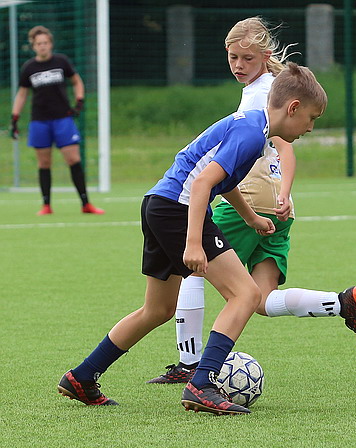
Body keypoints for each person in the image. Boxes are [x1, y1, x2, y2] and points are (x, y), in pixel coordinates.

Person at [57, 62, 328, 415]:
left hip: (158, 203)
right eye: (311, 118)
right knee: (246, 294)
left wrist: (251, 218)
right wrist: (193, 243)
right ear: (293, 108)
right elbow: (202, 184)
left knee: (158, 310)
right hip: (178, 208)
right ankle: (202, 384)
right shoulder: (251, 133)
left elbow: (222, 181)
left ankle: (81, 377)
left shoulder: (253, 129)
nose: (310, 127)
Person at [146, 17, 356, 385]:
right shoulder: (273, 86)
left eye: (246, 58)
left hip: (250, 198)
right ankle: (341, 302)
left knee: (194, 267)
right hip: (278, 210)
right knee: (261, 297)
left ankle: (191, 364)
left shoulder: (264, 96)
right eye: (232, 57)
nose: (238, 65)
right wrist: (284, 195)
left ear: (265, 56)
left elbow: (282, 149)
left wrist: (276, 193)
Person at [10, 25, 104, 216]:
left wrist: (79, 101)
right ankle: (46, 205)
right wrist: (15, 118)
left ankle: (86, 204)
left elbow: (76, 81)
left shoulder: (61, 61)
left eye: (45, 42)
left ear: (51, 44)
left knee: (73, 159)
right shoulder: (29, 67)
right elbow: (22, 94)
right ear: (33, 46)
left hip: (63, 119)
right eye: (38, 43)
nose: (42, 46)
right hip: (40, 121)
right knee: (44, 163)